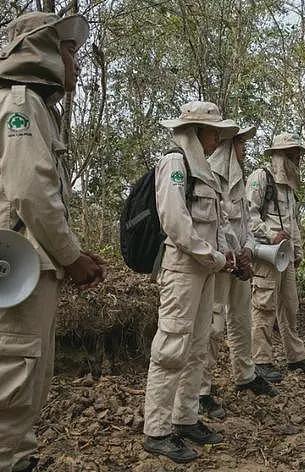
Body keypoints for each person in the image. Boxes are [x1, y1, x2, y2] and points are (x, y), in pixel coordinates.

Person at [0, 12, 105, 472]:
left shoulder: (39, 108)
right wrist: (72, 256)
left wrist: (71, 253)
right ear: (40, 50)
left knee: (28, 370)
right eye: (70, 51)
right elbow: (30, 191)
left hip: (27, 267)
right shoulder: (20, 103)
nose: (76, 65)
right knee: (13, 374)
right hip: (14, 267)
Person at [142, 101, 238, 463]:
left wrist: (229, 252)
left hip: (207, 270)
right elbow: (175, 222)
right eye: (213, 133)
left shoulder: (207, 173)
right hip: (183, 269)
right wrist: (212, 256)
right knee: (171, 348)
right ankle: (157, 429)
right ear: (196, 132)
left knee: (198, 345)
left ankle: (185, 418)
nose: (216, 140)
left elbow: (219, 223)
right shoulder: (175, 163)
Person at [199, 124, 278, 420]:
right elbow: (213, 225)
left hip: (240, 262)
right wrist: (229, 256)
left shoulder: (240, 182)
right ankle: (201, 391)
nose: (244, 149)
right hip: (218, 263)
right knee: (213, 325)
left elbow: (245, 222)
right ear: (227, 146)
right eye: (240, 144)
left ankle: (245, 374)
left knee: (242, 318)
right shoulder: (207, 177)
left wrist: (246, 250)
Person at [245, 132, 305, 381]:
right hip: (266, 255)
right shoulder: (261, 178)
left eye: (298, 154)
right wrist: (270, 234)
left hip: (285, 257)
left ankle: (295, 356)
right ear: (281, 155)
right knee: (264, 306)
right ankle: (261, 360)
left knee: (290, 306)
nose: (297, 159)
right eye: (293, 154)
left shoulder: (289, 188)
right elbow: (249, 215)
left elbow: (292, 223)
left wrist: (297, 250)